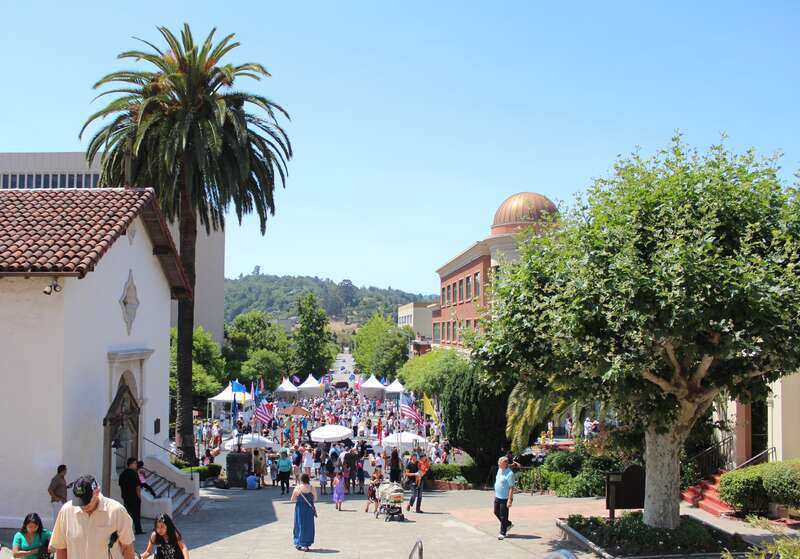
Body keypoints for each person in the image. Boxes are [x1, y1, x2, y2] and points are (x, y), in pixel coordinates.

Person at [51, 474, 136, 559]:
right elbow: (61, 548)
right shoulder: (66, 511)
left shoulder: (117, 511)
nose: (83, 506)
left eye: (86, 500)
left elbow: (127, 547)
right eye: (79, 501)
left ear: (97, 491)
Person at [290, 473, 317, 552]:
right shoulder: (312, 488)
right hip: (309, 509)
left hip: (300, 508)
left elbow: (292, 499)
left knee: (299, 525)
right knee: (308, 526)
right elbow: (315, 499)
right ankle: (306, 545)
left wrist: (299, 499)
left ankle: (298, 543)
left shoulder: (297, 488)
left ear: (301, 480)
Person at [118, 457, 144, 535]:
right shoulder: (134, 474)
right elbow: (138, 487)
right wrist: (139, 497)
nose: (136, 465)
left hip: (126, 497)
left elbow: (120, 484)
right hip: (134, 497)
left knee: (126, 514)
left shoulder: (122, 474)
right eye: (135, 463)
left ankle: (124, 530)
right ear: (131, 464)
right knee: (136, 515)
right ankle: (138, 530)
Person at [494, 456, 515, 540]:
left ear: (505, 463)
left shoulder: (510, 473)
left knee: (503, 516)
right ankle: (508, 524)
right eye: (498, 462)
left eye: (500, 462)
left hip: (505, 497)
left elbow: (511, 487)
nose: (498, 463)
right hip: (498, 496)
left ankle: (503, 532)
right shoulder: (499, 470)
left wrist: (510, 500)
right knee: (496, 512)